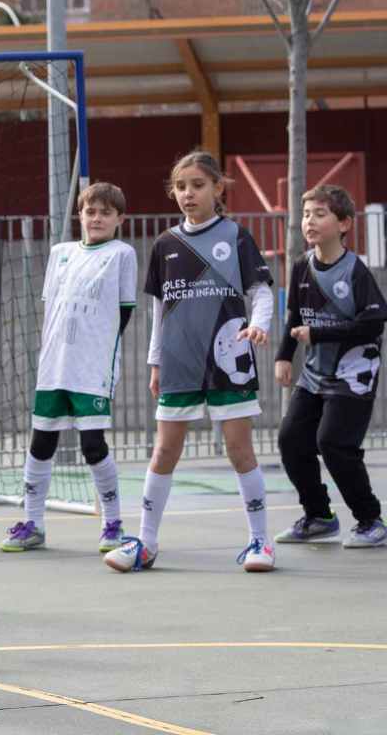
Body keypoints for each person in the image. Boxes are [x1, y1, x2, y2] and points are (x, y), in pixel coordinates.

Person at [104, 151, 276, 574]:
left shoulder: (236, 236)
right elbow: (161, 312)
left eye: (197, 185)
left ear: (218, 188)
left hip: (228, 361)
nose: (187, 194)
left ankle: (261, 541)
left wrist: (258, 325)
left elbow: (263, 291)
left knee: (239, 449)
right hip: (180, 363)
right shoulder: (165, 244)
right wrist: (155, 363)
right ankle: (145, 542)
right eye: (180, 187)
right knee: (164, 449)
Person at [0, 182, 136, 553]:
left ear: (119, 219)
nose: (97, 218)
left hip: (92, 367)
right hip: (54, 365)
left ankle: (112, 523)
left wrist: (97, 346)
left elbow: (124, 312)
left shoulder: (122, 254)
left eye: (106, 212)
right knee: (42, 442)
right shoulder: (60, 253)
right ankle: (33, 523)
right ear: (80, 215)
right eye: (90, 211)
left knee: (93, 445)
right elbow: (53, 307)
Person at [274, 185, 387, 548]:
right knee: (291, 440)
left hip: (353, 374)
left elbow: (373, 322)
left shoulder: (355, 271)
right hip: (314, 374)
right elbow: (295, 316)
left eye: (320, 214)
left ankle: (371, 521)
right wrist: (282, 356)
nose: (310, 221)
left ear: (344, 224)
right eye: (306, 214)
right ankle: (319, 516)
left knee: (333, 443)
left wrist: (318, 334)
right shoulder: (301, 267)